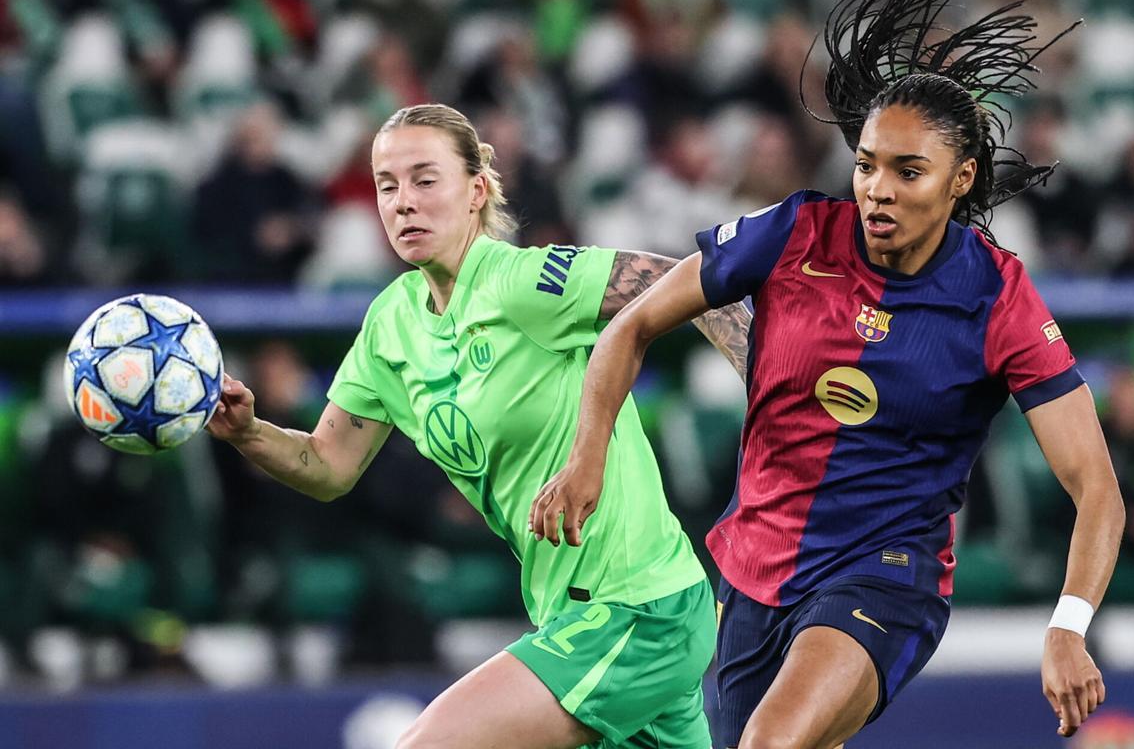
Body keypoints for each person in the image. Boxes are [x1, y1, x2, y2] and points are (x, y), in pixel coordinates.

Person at [531, 0, 1126, 747]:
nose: (878, 188)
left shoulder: (998, 297)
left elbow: (1097, 488)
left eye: (908, 171)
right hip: (751, 573)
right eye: (867, 165)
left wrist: (1068, 625)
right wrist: (587, 457)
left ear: (962, 180)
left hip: (885, 576)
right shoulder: (794, 233)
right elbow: (631, 324)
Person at [206, 102, 753, 748]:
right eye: (387, 185)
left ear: (476, 190)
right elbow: (328, 466)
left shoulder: (523, 280)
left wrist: (778, 396)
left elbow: (692, 281)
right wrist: (248, 433)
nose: (403, 202)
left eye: (424, 179)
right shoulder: (391, 323)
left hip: (640, 611)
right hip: (571, 615)